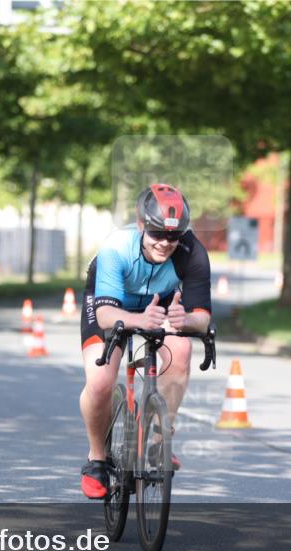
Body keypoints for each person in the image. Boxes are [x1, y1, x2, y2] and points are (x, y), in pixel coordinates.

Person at [78, 184, 212, 499]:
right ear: (141, 225)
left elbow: (202, 318)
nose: (166, 243)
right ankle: (97, 458)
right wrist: (139, 320)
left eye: (174, 235)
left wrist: (185, 320)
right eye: (156, 233)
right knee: (99, 382)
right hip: (110, 303)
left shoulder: (193, 253)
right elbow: (107, 315)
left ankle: (157, 442)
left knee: (182, 348)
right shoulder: (117, 246)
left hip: (161, 301)